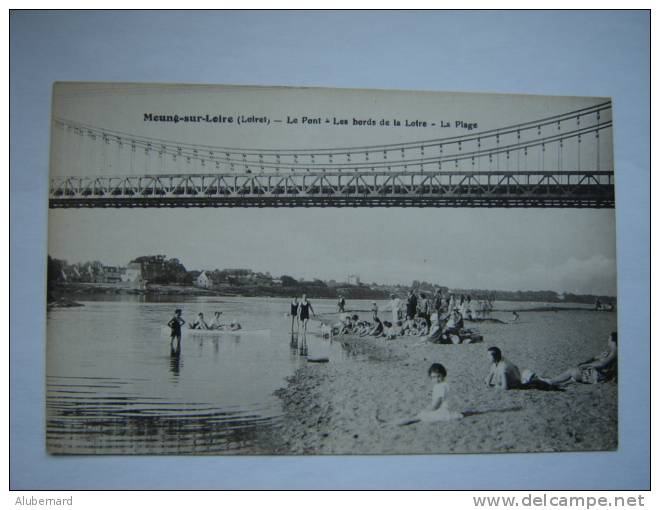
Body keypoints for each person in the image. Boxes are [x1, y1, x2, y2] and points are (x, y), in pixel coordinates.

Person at [540, 332, 617, 385]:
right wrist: (588, 361)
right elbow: (596, 358)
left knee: (572, 371)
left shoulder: (614, 352)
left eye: (609, 338)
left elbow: (602, 364)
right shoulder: (610, 351)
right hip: (597, 373)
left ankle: (551, 381)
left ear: (612, 341)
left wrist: (585, 365)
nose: (608, 340)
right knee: (572, 374)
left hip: (598, 376)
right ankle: (553, 380)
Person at [397, 363, 463, 425]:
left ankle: (411, 420)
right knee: (422, 413)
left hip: (443, 411)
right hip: (442, 408)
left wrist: (429, 410)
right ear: (431, 377)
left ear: (443, 374)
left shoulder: (442, 387)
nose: (437, 379)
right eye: (434, 377)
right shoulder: (440, 385)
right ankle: (412, 419)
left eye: (439, 376)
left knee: (423, 416)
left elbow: (437, 403)